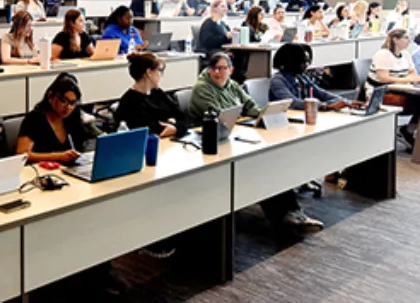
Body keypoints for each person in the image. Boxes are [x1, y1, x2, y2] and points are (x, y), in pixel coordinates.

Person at [189, 53, 323, 232]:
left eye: (222, 68)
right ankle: (284, 216)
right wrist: (242, 116)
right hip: (211, 141)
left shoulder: (232, 85)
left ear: (231, 70)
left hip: (232, 135)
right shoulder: (202, 88)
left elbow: (249, 105)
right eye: (214, 68)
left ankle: (294, 213)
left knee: (268, 161)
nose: (218, 72)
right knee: (259, 166)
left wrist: (262, 115)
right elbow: (218, 114)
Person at [16, 73, 92, 164]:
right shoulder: (34, 119)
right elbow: (23, 154)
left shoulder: (73, 117)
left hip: (68, 168)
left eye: (72, 103)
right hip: (42, 168)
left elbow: (81, 147)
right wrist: (58, 157)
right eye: (63, 101)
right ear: (50, 96)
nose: (68, 107)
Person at [115, 53, 187, 138]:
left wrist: (175, 128)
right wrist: (173, 123)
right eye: (159, 71)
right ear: (149, 72)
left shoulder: (158, 93)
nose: (161, 75)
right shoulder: (130, 102)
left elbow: (183, 118)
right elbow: (147, 131)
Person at [368, 29, 420, 145]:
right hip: (382, 91)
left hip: (401, 88)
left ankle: (409, 130)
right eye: (406, 38)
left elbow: (413, 74)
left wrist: (408, 80)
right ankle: (407, 131)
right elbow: (384, 78)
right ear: (395, 40)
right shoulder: (383, 54)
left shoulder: (406, 54)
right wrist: (407, 80)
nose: (409, 41)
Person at [269, 43, 356, 111]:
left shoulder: (302, 77)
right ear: (292, 62)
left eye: (308, 61)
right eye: (304, 62)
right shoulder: (278, 80)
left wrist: (347, 102)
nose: (307, 65)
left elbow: (322, 94)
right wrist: (326, 106)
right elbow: (293, 103)